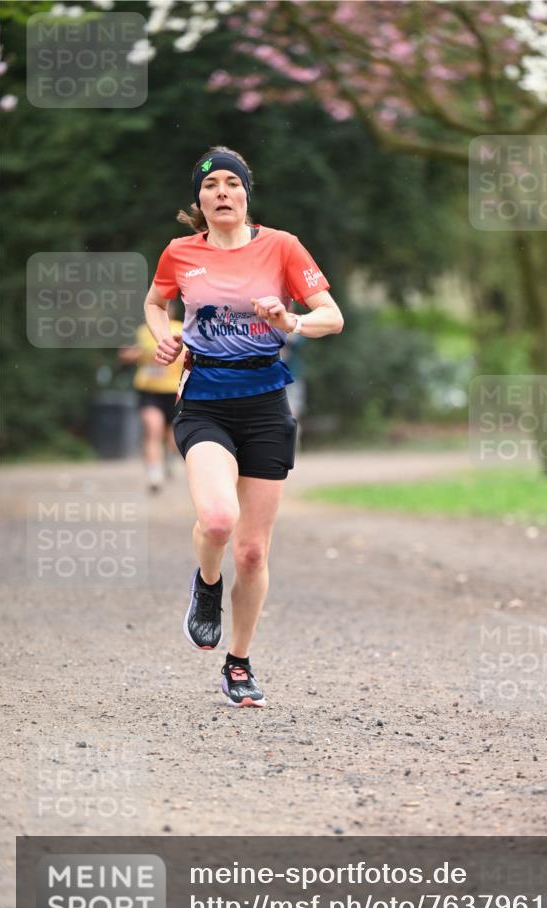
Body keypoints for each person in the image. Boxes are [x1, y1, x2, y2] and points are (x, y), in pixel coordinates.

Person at [144, 146, 343, 707]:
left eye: (232, 183)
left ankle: (238, 662)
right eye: (211, 186)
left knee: (253, 553)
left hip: (265, 405)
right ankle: (207, 585)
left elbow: (332, 317)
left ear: (246, 193)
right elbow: (156, 303)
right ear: (200, 200)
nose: (222, 193)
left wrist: (291, 320)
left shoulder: (282, 246)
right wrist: (164, 335)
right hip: (204, 400)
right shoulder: (180, 253)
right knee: (217, 519)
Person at [118, 309, 185, 492]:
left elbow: (186, 357)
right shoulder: (143, 331)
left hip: (173, 391)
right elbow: (133, 353)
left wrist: (168, 355)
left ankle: (169, 458)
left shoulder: (180, 328)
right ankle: (154, 475)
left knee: (172, 437)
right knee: (153, 428)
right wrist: (130, 355)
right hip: (149, 389)